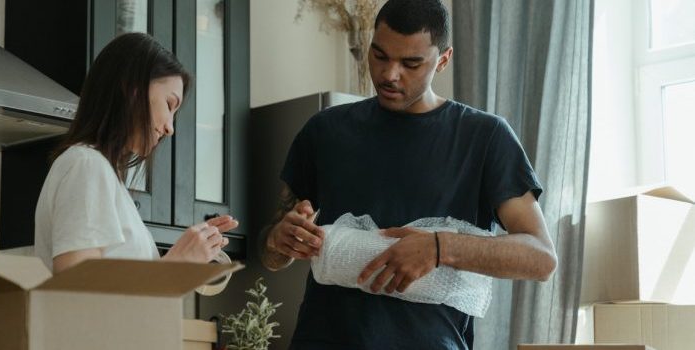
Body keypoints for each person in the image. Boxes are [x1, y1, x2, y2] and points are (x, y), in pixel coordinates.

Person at [259, 0, 558, 349]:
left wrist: (439, 247)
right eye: (380, 55)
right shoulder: (324, 131)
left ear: (443, 60)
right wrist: (278, 239)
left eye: (411, 63)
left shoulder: (485, 137)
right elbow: (272, 257)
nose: (389, 75)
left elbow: (541, 258)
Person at [35, 32, 237, 273]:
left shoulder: (104, 176)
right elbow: (77, 291)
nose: (170, 128)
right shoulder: (86, 164)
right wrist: (176, 265)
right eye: (169, 105)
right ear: (132, 89)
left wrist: (187, 258)